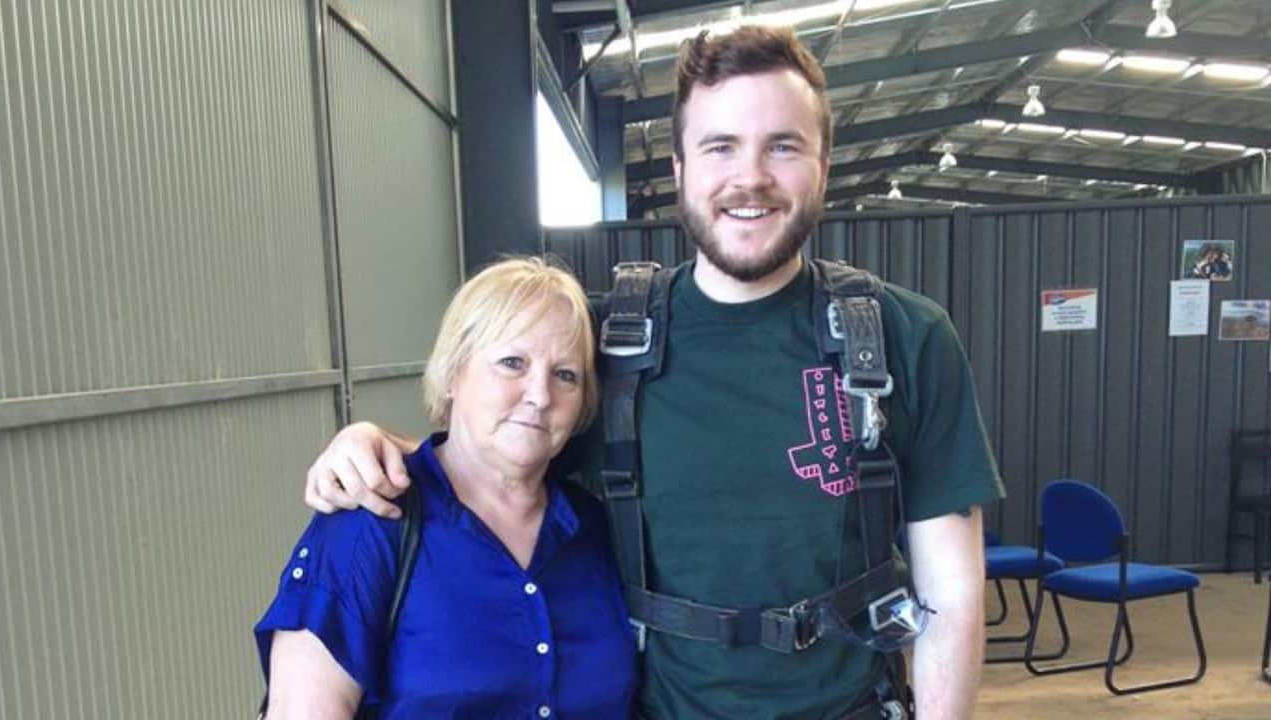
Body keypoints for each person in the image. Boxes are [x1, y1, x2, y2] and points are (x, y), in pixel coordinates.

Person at [304, 27, 1004, 720]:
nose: (750, 177)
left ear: (823, 164)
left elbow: (951, 593)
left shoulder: (902, 337)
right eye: (720, 146)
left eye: (783, 146)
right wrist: (374, 446)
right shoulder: (603, 345)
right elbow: (488, 459)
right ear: (679, 168)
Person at [256, 258, 637, 719]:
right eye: (512, 363)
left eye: (566, 375)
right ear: (454, 371)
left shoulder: (595, 528)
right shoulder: (371, 520)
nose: (540, 395)